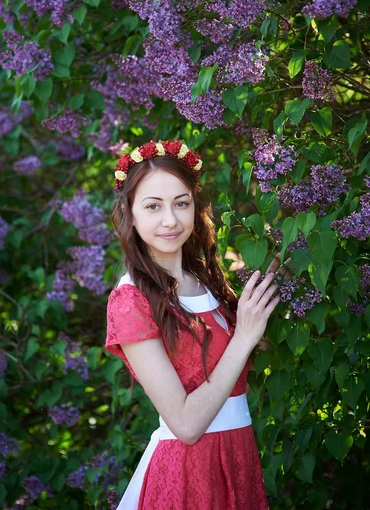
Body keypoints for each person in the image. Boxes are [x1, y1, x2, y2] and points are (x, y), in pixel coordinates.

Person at [105, 139, 291, 510]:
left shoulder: (204, 280)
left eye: (181, 203)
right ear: (130, 213)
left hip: (237, 456)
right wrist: (245, 336)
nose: (170, 220)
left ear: (195, 206)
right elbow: (186, 426)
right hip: (189, 471)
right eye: (153, 206)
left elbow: (244, 364)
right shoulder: (130, 300)